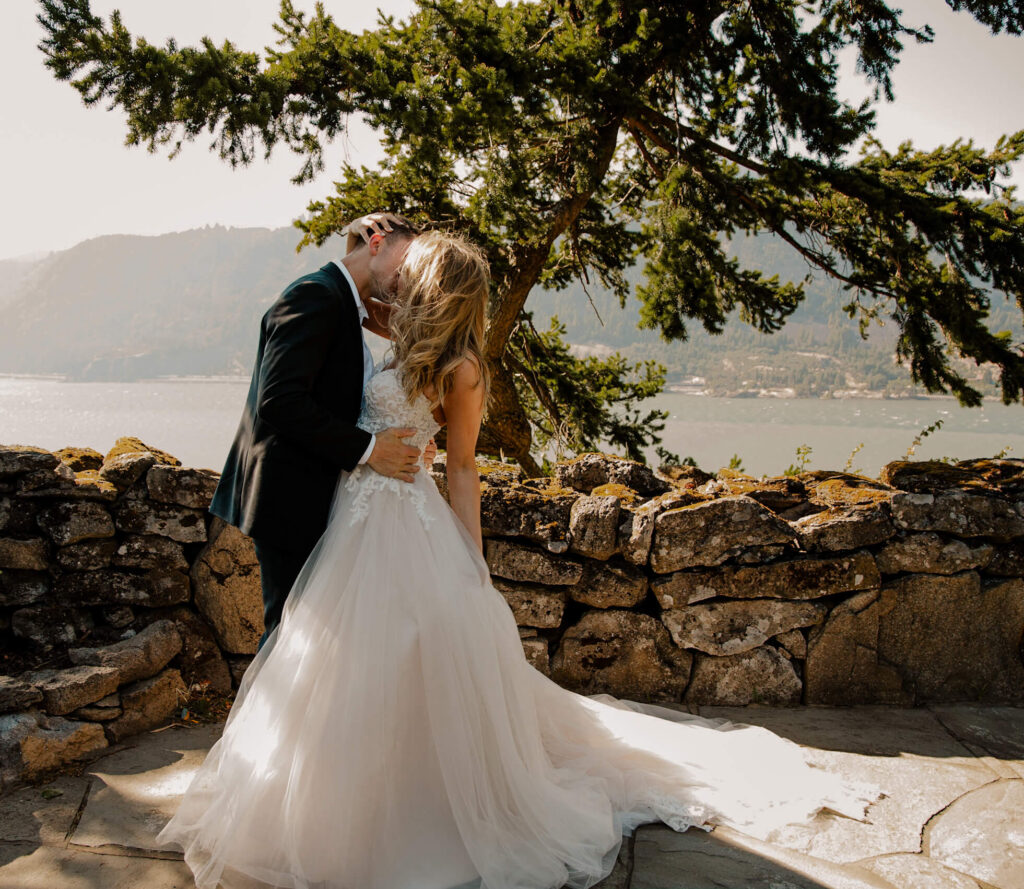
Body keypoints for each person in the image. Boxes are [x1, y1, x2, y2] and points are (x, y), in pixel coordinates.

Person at [157, 231, 883, 889]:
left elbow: (464, 467)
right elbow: (322, 402)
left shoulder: (464, 368)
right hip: (348, 517)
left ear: (436, 282)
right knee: (326, 661)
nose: (400, 279)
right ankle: (316, 795)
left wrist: (471, 565)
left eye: (414, 271)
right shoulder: (385, 330)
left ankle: (410, 807)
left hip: (408, 523)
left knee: (406, 659)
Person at [207, 212, 433, 650]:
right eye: (404, 266)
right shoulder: (315, 295)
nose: (406, 280)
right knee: (289, 642)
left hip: (312, 491)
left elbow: (336, 392)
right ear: (377, 243)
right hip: (288, 496)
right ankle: (266, 722)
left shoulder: (347, 302)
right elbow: (280, 401)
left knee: (311, 644)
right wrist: (371, 449)